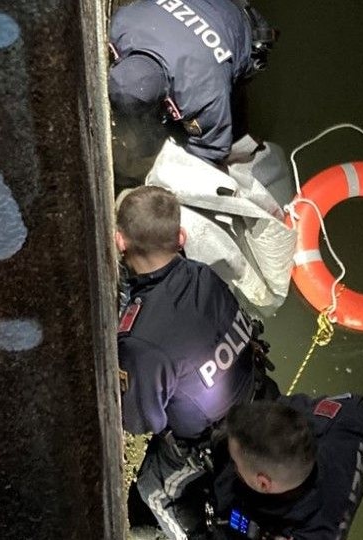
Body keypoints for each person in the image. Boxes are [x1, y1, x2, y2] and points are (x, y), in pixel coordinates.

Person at [116, 186, 277, 540]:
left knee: (153, 492)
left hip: (207, 445)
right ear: (181, 237)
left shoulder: (140, 341)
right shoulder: (204, 275)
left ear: (119, 242)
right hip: (261, 400)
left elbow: (142, 421)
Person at [107, 0, 277, 180]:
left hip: (248, 34)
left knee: (230, 107)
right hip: (208, 7)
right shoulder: (123, 24)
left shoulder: (205, 92)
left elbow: (207, 156)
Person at [207, 394, 363, 540]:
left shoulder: (314, 530)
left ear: (263, 484)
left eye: (235, 462)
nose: (233, 465)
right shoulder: (350, 418)